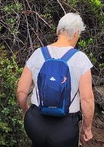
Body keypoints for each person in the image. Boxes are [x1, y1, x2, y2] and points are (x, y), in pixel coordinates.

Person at [16, 13, 95, 146]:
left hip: (35, 122)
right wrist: (87, 128)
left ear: (58, 31)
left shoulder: (38, 54)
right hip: (64, 129)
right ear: (76, 34)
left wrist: (26, 112)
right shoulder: (80, 59)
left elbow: (21, 91)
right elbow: (87, 99)